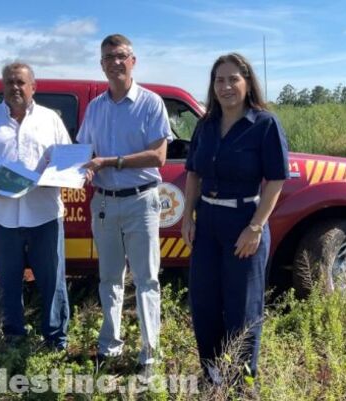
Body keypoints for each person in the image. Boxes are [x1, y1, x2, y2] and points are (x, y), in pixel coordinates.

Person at [181, 53, 289, 384]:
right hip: (208, 222)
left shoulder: (264, 124)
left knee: (242, 310)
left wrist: (255, 227)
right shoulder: (206, 125)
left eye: (233, 79)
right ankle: (212, 376)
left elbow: (276, 180)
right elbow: (194, 173)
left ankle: (241, 384)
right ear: (212, 86)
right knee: (204, 303)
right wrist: (188, 216)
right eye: (219, 80)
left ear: (247, 82)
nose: (226, 86)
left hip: (244, 222)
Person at [77, 34, 172, 375]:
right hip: (104, 203)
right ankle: (110, 346)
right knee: (109, 278)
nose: (115, 62)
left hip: (141, 202)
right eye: (108, 57)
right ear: (102, 64)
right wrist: (83, 170)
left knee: (147, 279)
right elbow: (85, 153)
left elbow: (159, 156)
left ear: (133, 60)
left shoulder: (151, 103)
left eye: (121, 56)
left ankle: (149, 355)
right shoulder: (95, 108)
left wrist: (110, 162)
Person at [0, 62, 70, 350]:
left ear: (34, 86)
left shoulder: (50, 120)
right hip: (2, 216)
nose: (15, 88)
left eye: (21, 82)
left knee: (53, 281)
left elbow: (67, 160)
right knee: (8, 280)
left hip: (45, 214)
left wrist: (67, 172)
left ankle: (56, 340)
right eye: (9, 82)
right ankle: (14, 338)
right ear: (3, 86)